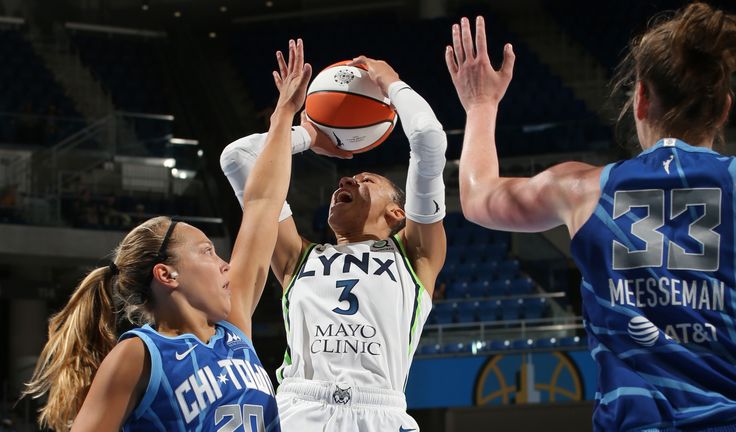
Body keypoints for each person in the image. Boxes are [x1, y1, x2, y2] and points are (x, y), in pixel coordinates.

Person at [446, 5, 736, 430]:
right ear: (724, 108)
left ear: (639, 99)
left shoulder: (583, 189)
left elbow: (477, 196)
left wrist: (480, 104)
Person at [21, 38, 312, 432]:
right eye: (207, 252)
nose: (225, 262)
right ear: (167, 274)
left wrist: (284, 119)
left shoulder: (234, 330)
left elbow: (262, 203)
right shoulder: (140, 354)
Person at [222, 56, 447, 430]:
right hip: (299, 407)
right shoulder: (297, 256)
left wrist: (391, 82)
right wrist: (308, 135)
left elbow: (428, 139)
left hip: (380, 413)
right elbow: (237, 157)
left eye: (365, 180)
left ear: (396, 214)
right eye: (345, 180)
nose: (345, 182)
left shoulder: (415, 254)